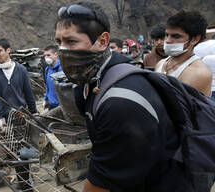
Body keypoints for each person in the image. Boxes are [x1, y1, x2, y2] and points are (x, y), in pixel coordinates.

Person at [55, 1, 185, 191]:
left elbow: (100, 184)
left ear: (102, 41)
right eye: (59, 42)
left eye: (71, 41)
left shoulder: (121, 100)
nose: (62, 50)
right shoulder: (86, 85)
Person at [0, 38, 37, 191]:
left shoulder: (21, 69)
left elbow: (28, 93)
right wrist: (0, 118)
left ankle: (26, 179)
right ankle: (24, 184)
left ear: (8, 50)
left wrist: (34, 112)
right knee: (16, 151)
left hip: (23, 115)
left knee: (26, 149)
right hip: (8, 118)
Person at [155, 11, 212, 96]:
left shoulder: (199, 73)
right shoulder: (161, 64)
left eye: (176, 36)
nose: (168, 41)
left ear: (194, 39)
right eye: (167, 35)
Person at [43, 45, 62, 110]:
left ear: (55, 54)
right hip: (51, 105)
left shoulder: (61, 69)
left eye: (48, 55)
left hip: (61, 105)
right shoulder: (47, 69)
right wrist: (46, 99)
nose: (46, 58)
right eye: (45, 56)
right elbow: (47, 86)